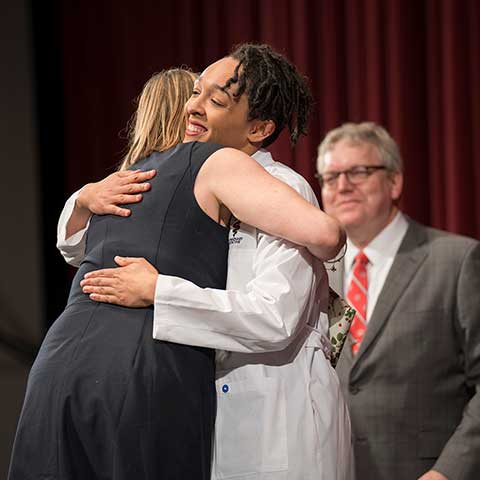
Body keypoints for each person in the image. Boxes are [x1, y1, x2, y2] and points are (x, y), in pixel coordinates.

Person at [9, 68, 345, 480]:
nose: (194, 108)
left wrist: (159, 289)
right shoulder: (173, 174)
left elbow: (277, 315)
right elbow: (77, 247)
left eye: (214, 101)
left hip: (263, 410)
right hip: (154, 377)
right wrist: (84, 199)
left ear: (258, 127)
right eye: (195, 94)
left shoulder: (276, 187)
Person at [316, 121, 480, 480]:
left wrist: (449, 472)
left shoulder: (457, 260)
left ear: (394, 182)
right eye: (330, 177)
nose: (342, 186)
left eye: (358, 172)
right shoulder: (314, 274)